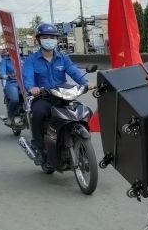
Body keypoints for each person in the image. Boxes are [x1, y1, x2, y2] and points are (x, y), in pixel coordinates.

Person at [22, 23, 95, 165]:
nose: (49, 39)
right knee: (37, 114)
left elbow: (74, 72)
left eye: (52, 37)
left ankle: (81, 143)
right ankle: (39, 148)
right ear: (38, 39)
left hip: (63, 96)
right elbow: (28, 77)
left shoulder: (63, 58)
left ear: (56, 39)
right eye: (45, 37)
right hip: (43, 97)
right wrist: (32, 88)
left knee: (86, 112)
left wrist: (86, 83)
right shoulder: (31, 60)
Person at [0, 46, 21, 126]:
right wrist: (4, 75)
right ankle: (10, 117)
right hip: (12, 83)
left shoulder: (25, 59)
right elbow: (2, 70)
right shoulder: (5, 60)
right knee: (15, 99)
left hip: (25, 84)